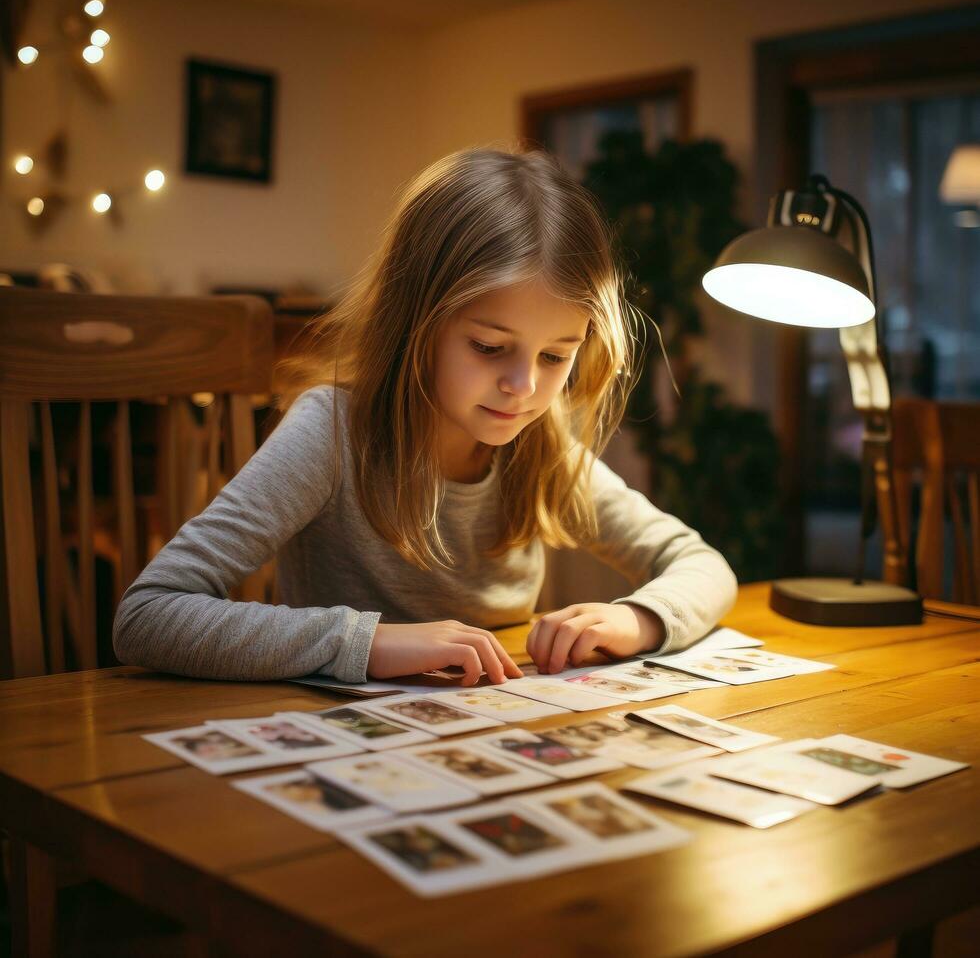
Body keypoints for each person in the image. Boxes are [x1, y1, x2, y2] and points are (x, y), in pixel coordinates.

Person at [112, 145, 737, 686]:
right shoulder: (332, 432)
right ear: (417, 323)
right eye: (489, 347)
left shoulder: (540, 447)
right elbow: (149, 616)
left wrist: (640, 618)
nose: (523, 387)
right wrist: (368, 643)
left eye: (555, 356)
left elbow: (702, 564)